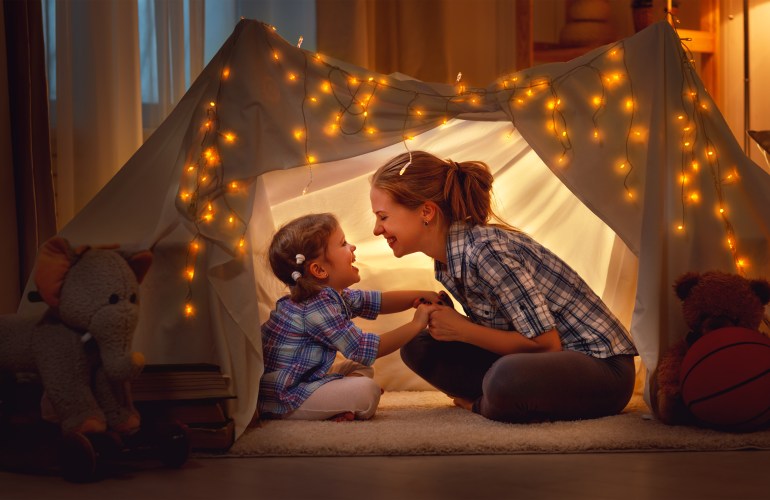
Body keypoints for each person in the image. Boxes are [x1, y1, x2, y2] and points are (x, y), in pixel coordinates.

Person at [369, 150, 638, 423]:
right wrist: (453, 324)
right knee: (418, 345)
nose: (377, 230)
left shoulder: (487, 252)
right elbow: (508, 331)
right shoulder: (447, 263)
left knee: (506, 378)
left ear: (426, 212)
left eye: (383, 217)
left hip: (601, 369)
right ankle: (499, 399)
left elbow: (546, 345)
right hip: (541, 364)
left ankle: (483, 404)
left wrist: (463, 330)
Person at [259, 212, 443, 421]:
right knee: (367, 391)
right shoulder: (314, 307)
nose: (352, 247)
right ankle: (342, 402)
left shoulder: (331, 296)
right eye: (343, 243)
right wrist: (417, 324)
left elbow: (378, 301)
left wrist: (420, 296)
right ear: (319, 270)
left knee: (360, 369)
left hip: (305, 378)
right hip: (285, 396)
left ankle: (338, 404)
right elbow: (363, 348)